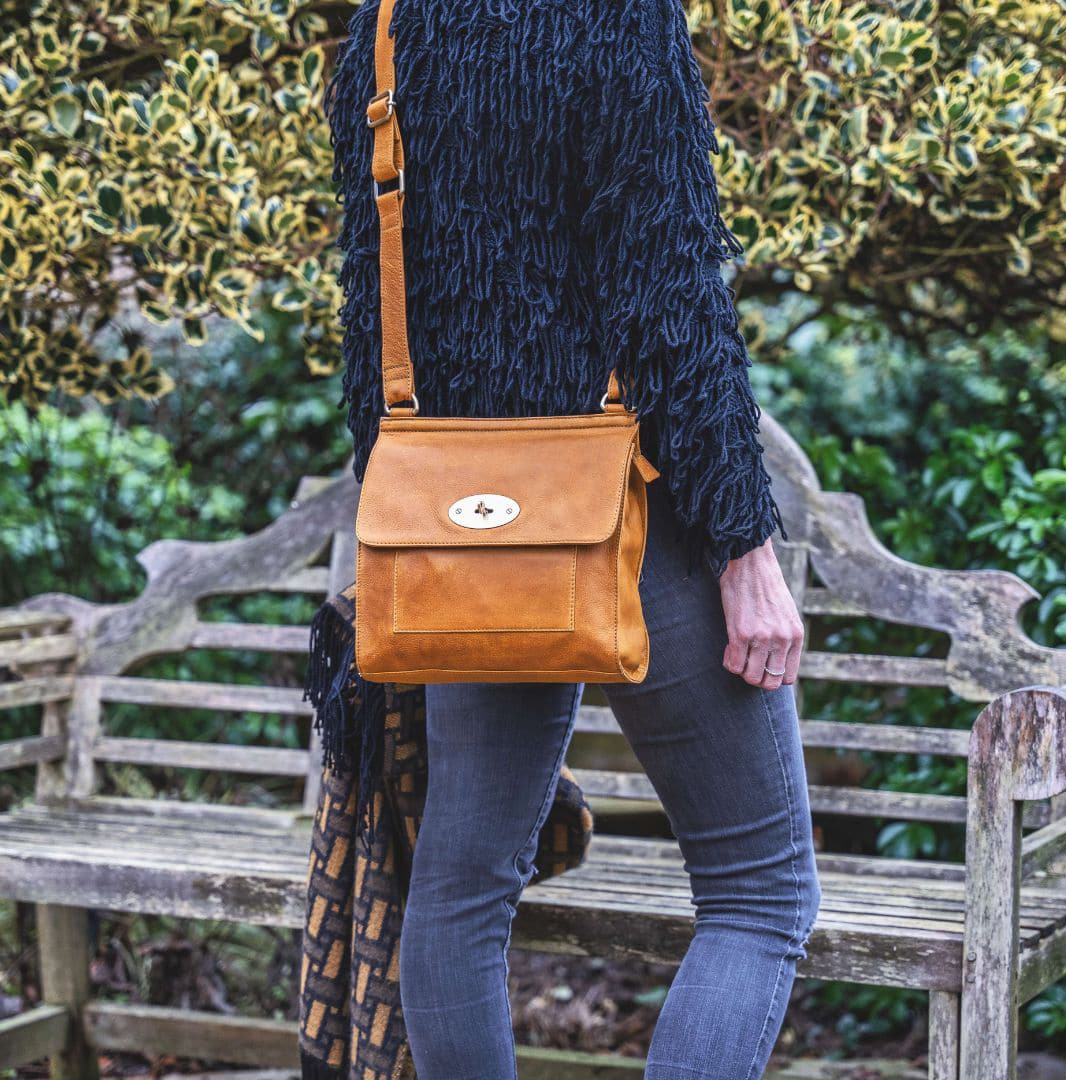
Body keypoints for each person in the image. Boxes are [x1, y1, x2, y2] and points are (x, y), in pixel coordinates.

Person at [324, 0, 822, 1076]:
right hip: (631, 524)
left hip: (458, 538)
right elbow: (672, 294)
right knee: (759, 893)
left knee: (459, 894)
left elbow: (378, 322)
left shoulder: (385, 27)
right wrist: (746, 551)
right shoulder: (617, 14)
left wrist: (416, 549)